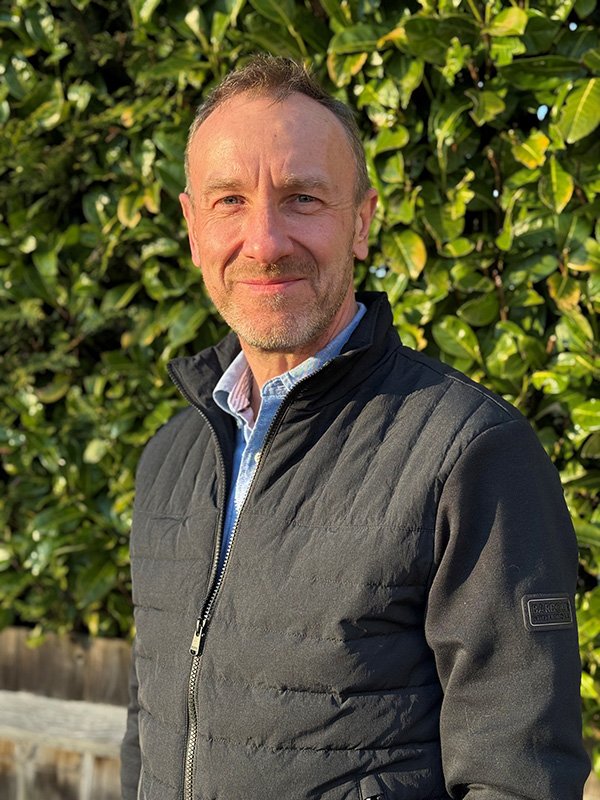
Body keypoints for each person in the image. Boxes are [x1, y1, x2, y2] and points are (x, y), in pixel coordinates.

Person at [121, 55, 589, 800]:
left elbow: (519, 774)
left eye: (303, 198)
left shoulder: (470, 453)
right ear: (192, 226)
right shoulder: (171, 461)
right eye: (230, 201)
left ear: (363, 222)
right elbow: (149, 736)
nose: (265, 241)